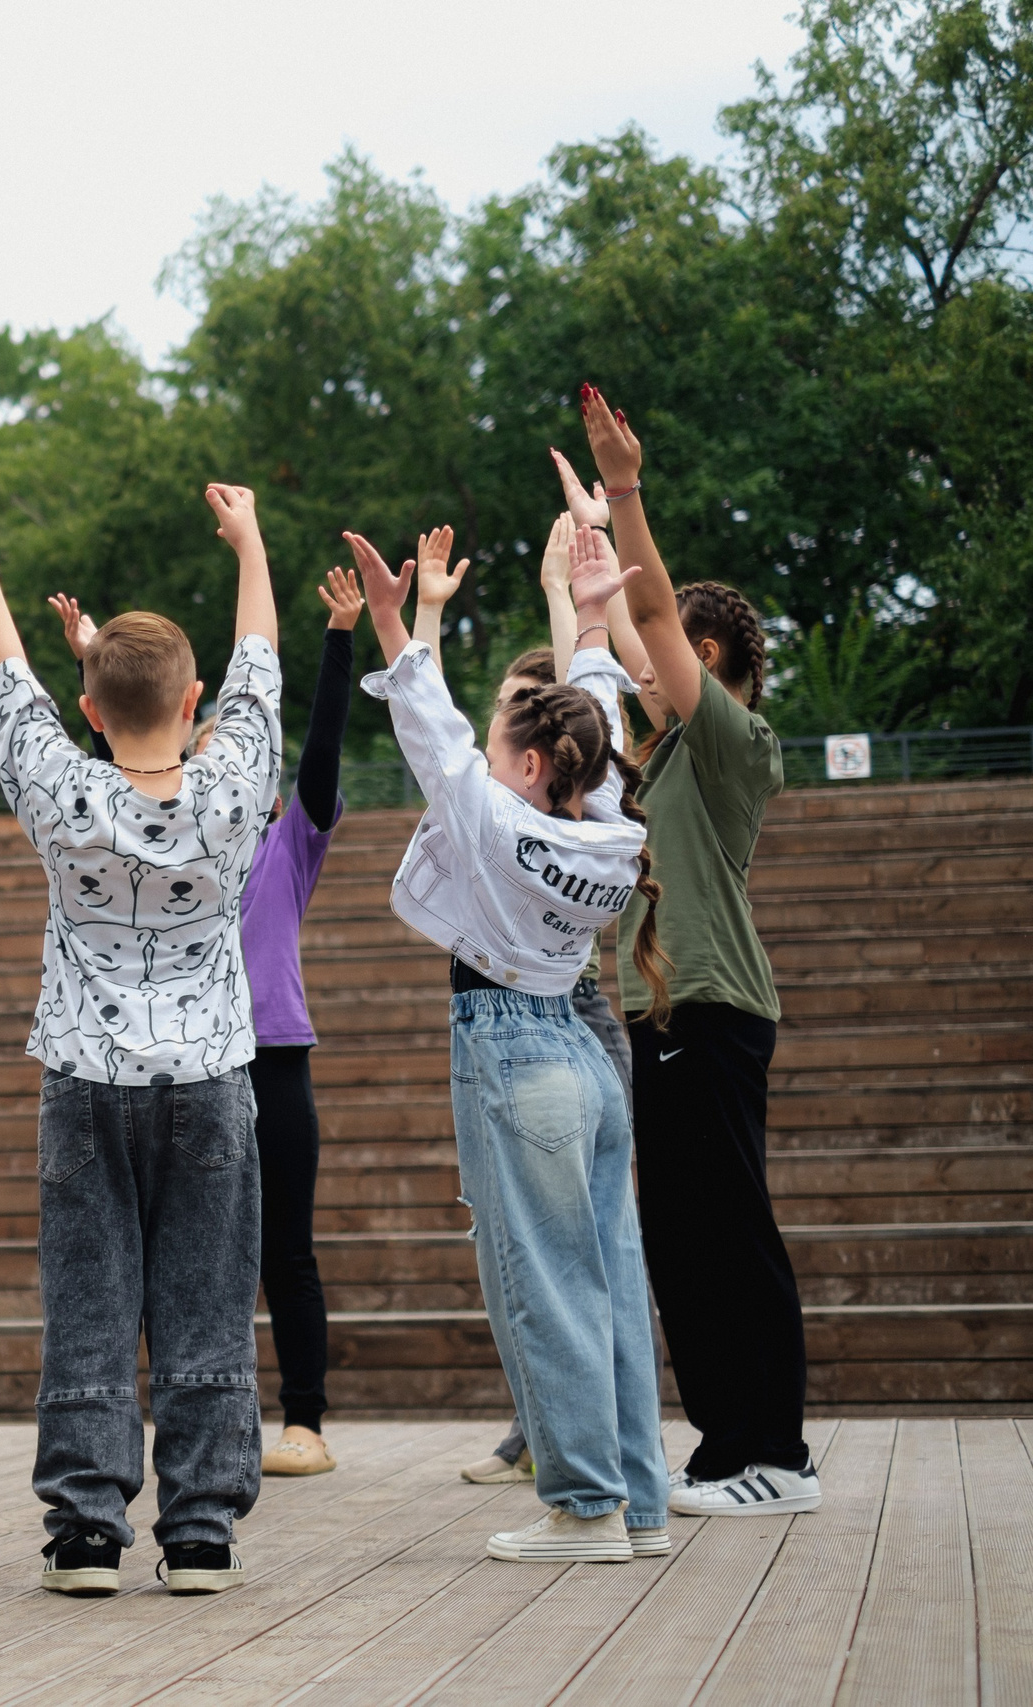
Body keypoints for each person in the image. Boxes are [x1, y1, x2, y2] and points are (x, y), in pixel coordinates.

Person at [0, 479, 280, 1599]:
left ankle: (86, 1526)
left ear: (89, 709)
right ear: (194, 701)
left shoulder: (61, 791)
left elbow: (7, 682)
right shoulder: (234, 786)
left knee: (87, 1299)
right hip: (211, 1075)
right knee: (207, 1296)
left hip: (87, 1077)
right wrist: (248, 547)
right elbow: (261, 667)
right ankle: (198, 1532)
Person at [349, 519, 672, 1564]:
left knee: (541, 1281)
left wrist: (398, 622)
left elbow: (433, 732)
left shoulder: (498, 819)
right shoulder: (610, 822)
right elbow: (602, 720)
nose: (484, 756)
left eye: (503, 750)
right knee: (610, 1276)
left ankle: (582, 1507)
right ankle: (640, 1503)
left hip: (511, 1043)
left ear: (530, 765)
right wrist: (585, 624)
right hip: (581, 1049)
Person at [49, 561, 363, 1481]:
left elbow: (319, 748)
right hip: (184, 1065)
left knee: (284, 1249)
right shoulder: (170, 830)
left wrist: (339, 643)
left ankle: (303, 1418)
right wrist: (96, 655)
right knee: (169, 1258)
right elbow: (130, 733)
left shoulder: (289, 842)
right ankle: (171, 1433)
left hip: (270, 1057)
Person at [575, 385, 817, 1517]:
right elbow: (633, 631)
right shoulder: (665, 758)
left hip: (712, 1011)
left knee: (729, 1231)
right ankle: (726, 1446)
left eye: (668, 649)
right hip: (657, 1020)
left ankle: (777, 1452)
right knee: (679, 1244)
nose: (639, 667)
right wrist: (589, 539)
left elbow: (654, 625)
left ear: (708, 653)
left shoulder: (729, 744)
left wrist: (626, 492)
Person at [456, 511, 645, 1486]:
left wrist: (570, 604)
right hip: (530, 1025)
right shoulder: (548, 817)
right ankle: (565, 1440)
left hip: (556, 1023)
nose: (500, 720)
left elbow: (586, 697)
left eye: (510, 714)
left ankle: (584, 1466)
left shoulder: (554, 807)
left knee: (573, 1257)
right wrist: (566, 594)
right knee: (524, 1248)